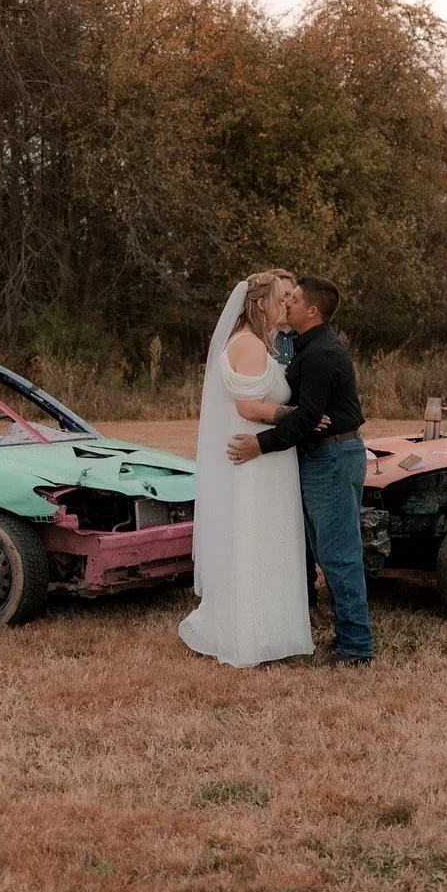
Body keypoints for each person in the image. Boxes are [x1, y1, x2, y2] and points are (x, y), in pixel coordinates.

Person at [228, 276, 373, 666]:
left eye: (293, 299)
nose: (287, 303)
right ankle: (344, 634)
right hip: (321, 458)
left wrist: (260, 445)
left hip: (333, 457)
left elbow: (309, 418)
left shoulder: (323, 353)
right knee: (326, 550)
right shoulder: (306, 347)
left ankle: (356, 646)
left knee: (340, 553)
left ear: (312, 310)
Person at [178, 270, 315, 667]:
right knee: (256, 539)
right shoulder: (250, 345)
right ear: (260, 304)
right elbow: (249, 407)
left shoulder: (257, 342)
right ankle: (251, 635)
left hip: (266, 460)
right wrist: (302, 414)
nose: (287, 303)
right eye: (281, 297)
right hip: (255, 462)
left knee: (265, 541)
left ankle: (269, 629)